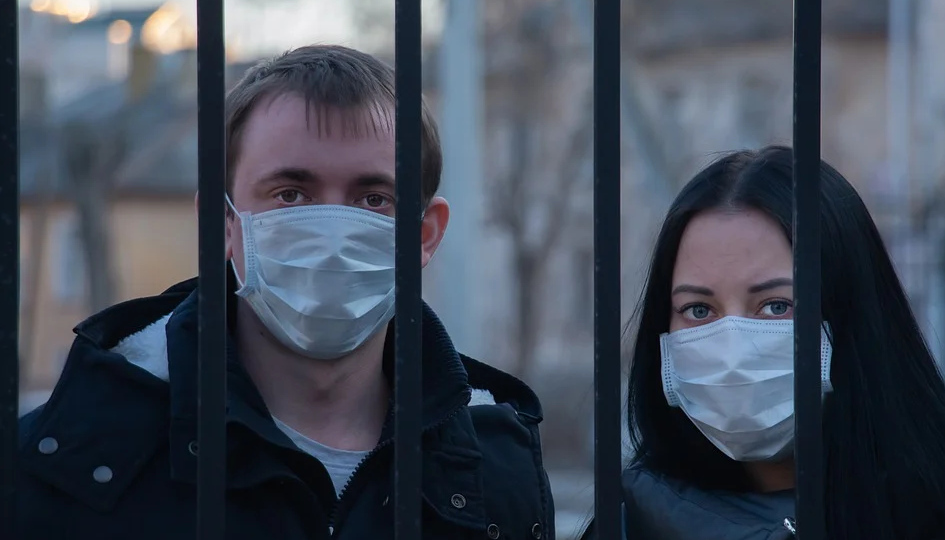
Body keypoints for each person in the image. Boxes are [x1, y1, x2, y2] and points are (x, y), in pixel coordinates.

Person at [17, 45, 554, 540]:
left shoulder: (496, 473)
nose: (333, 238)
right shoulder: (71, 465)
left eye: (373, 199)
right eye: (291, 194)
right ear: (222, 225)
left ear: (424, 235)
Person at [582, 145, 945, 540]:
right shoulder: (633, 523)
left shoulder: (936, 514)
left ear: (854, 310)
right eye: (698, 309)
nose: (732, 351)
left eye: (776, 305)